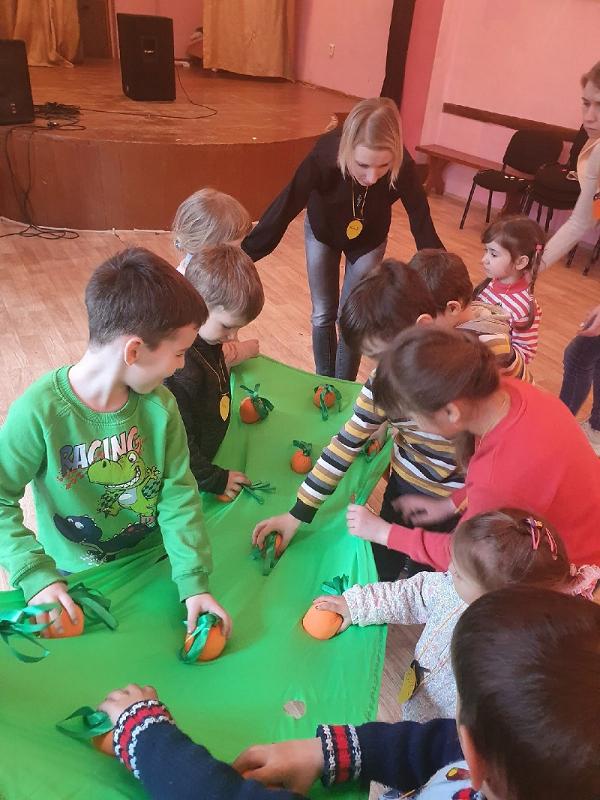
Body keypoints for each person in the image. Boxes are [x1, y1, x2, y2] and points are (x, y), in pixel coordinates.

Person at [97, 586, 600, 799]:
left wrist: (144, 732)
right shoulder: (531, 769)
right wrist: (332, 751)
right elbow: (436, 747)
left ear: (481, 758)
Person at [252, 254, 530, 581]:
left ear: (422, 327)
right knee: (382, 564)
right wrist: (297, 513)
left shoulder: (484, 362)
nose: (381, 369)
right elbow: (345, 444)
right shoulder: (382, 386)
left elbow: (518, 406)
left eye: (383, 355)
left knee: (426, 572)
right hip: (405, 485)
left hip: (461, 500)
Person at [0, 248, 231, 637]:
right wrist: (34, 574)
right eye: (179, 353)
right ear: (134, 351)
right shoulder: (39, 411)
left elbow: (178, 494)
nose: (181, 365)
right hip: (75, 576)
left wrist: (194, 581)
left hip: (153, 565)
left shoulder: (162, 407)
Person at [347, 326, 600, 571]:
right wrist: (449, 504)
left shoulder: (497, 476)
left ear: (451, 412)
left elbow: (465, 558)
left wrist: (383, 532)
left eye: (413, 417)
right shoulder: (511, 392)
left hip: (570, 567)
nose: (415, 424)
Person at [312, 508, 599, 723]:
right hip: (421, 701)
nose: (448, 569)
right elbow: (413, 593)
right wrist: (356, 605)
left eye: (459, 572)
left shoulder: (515, 658)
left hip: (449, 739)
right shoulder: (453, 589)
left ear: (494, 603)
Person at [241, 97, 444, 381]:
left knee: (352, 316)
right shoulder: (324, 156)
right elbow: (287, 204)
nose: (372, 177)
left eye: (383, 166)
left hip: (369, 238)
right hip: (323, 231)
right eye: (363, 165)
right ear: (347, 149)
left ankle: (343, 385)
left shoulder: (404, 166)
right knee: (323, 313)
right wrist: (245, 255)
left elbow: (420, 219)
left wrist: (442, 277)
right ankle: (324, 381)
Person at [165, 245, 264, 498]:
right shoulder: (182, 370)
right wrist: (214, 479)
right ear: (196, 306)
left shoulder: (209, 338)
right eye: (227, 327)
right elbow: (179, 443)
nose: (233, 336)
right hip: (194, 473)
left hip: (212, 447)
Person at [172, 187, 259, 368]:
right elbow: (208, 355)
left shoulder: (206, 276)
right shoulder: (190, 289)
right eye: (232, 249)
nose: (239, 254)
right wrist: (246, 350)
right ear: (204, 246)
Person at [474, 215, 545, 365]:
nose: (484, 259)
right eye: (486, 251)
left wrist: (496, 351)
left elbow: (525, 354)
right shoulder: (489, 284)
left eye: (493, 254)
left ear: (520, 262)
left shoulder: (523, 308)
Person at [173, 187, 252, 276]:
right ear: (203, 247)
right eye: (233, 249)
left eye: (240, 245)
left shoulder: (218, 268)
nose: (241, 252)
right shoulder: (188, 281)